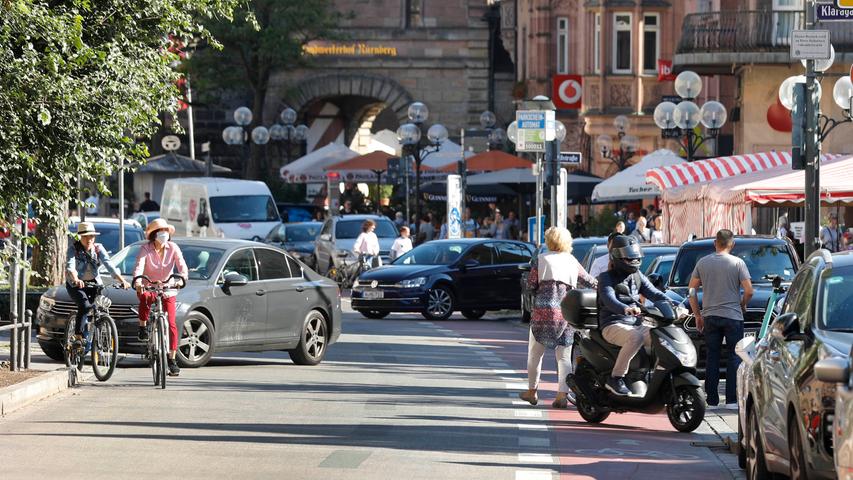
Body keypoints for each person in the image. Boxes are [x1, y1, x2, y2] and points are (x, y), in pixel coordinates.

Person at [519, 226, 596, 409]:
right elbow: (588, 281)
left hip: (542, 314)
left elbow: (530, 285)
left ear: (549, 241)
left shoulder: (541, 259)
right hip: (565, 313)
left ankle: (532, 391)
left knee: (535, 354)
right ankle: (562, 395)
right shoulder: (571, 261)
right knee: (563, 356)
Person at [688, 229, 754, 409]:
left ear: (715, 243)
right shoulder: (738, 263)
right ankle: (732, 400)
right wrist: (742, 304)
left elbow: (691, 291)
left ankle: (712, 399)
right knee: (735, 356)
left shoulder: (703, 263)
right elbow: (749, 290)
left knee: (712, 357)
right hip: (733, 316)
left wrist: (697, 315)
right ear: (732, 244)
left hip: (710, 316)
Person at [597, 235, 669, 396]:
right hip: (612, 324)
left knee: (662, 336)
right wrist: (625, 308)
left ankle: (660, 377)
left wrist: (674, 305)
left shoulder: (638, 276)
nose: (633, 261)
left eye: (635, 258)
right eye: (629, 258)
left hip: (635, 323)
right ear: (617, 256)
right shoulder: (606, 278)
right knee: (635, 338)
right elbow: (609, 299)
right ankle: (616, 377)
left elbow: (655, 294)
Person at [132, 219, 188, 376]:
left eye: (166, 231)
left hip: (168, 288)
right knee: (144, 297)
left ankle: (172, 359)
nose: (164, 234)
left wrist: (180, 280)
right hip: (149, 285)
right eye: (160, 231)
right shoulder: (146, 249)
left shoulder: (173, 248)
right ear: (154, 235)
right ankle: (142, 327)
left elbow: (182, 267)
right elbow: (139, 267)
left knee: (171, 323)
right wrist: (138, 281)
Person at [65, 223, 130, 346]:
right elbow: (70, 267)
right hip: (76, 285)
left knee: (99, 307)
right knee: (84, 306)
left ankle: (98, 330)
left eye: (91, 237)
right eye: (85, 237)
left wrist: (122, 281)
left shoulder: (98, 248)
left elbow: (109, 265)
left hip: (94, 283)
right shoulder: (73, 249)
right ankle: (78, 336)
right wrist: (76, 279)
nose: (89, 239)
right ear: (80, 237)